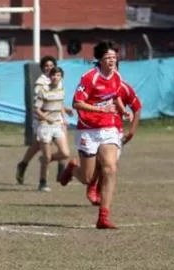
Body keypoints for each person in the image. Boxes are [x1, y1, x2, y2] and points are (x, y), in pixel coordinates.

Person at [58, 40, 131, 229]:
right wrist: (100, 110)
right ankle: (73, 168)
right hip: (88, 129)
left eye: (114, 57)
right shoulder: (89, 77)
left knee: (110, 167)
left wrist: (122, 110)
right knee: (88, 178)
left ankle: (103, 217)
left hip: (108, 129)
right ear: (99, 59)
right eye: (108, 57)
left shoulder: (116, 76)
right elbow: (77, 103)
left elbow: (115, 96)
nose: (112, 60)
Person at [16, 56, 65, 185]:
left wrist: (63, 114)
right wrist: (45, 117)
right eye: (46, 66)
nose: (49, 68)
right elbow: (38, 104)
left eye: (51, 65)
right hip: (42, 119)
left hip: (56, 117)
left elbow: (58, 100)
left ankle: (61, 169)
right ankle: (25, 165)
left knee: (61, 143)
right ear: (42, 68)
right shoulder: (41, 82)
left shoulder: (58, 79)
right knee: (39, 146)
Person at [33, 67, 73, 192]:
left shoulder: (61, 90)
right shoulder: (43, 91)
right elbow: (36, 109)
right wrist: (46, 118)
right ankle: (42, 183)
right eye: (53, 75)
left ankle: (45, 159)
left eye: (58, 75)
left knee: (65, 153)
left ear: (62, 77)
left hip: (57, 125)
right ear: (49, 77)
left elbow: (59, 104)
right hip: (45, 126)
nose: (55, 77)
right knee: (47, 157)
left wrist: (65, 111)